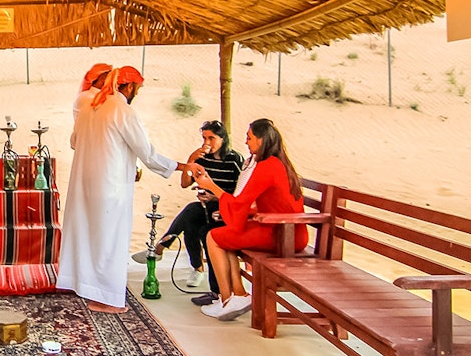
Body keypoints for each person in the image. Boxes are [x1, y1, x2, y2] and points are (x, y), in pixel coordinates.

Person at [57, 66, 187, 313]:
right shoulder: (122, 110)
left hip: (85, 184)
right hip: (110, 185)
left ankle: (90, 290)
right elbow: (147, 153)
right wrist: (180, 166)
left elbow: (74, 141)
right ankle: (107, 299)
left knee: (91, 237)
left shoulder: (89, 106)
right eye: (137, 88)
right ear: (129, 87)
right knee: (110, 241)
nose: (137, 92)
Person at [189, 118, 306, 322]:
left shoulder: (267, 166)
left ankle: (227, 298)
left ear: (261, 140)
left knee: (213, 237)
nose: (246, 142)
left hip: (282, 234)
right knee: (226, 236)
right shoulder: (279, 163)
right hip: (284, 229)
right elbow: (266, 203)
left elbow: (241, 202)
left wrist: (210, 185)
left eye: (249, 137)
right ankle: (238, 295)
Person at [131, 120, 244, 295]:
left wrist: (215, 196)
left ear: (223, 139)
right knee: (191, 221)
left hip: (225, 208)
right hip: (206, 205)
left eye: (211, 138)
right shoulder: (202, 158)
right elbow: (184, 183)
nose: (206, 143)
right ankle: (197, 269)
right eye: (204, 138)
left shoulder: (234, 160)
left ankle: (161, 248)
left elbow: (239, 193)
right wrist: (191, 161)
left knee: (195, 218)